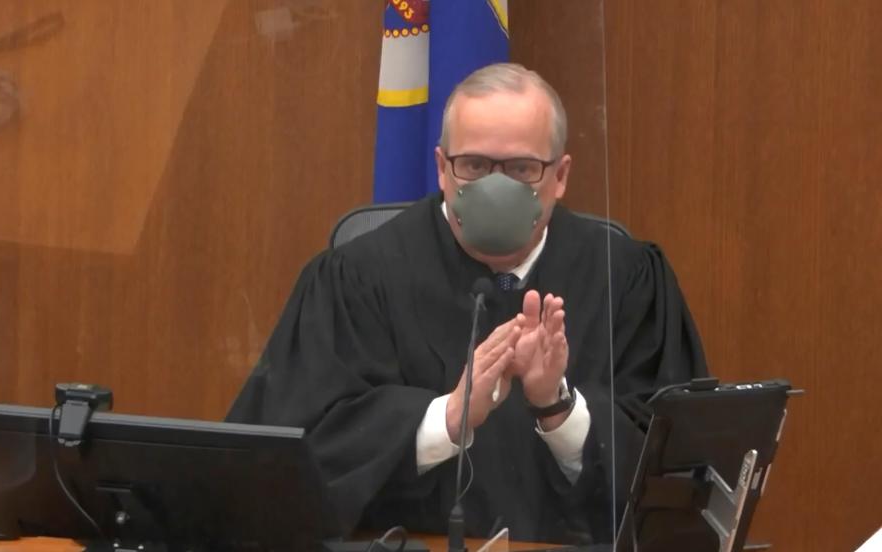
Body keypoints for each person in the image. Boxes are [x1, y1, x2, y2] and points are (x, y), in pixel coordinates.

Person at [226, 63, 707, 545]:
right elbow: (281, 464)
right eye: (474, 166)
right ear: (441, 168)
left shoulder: (624, 279)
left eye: (521, 169)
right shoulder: (357, 279)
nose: (494, 187)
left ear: (560, 176)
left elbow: (682, 474)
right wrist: (446, 418)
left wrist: (558, 408)